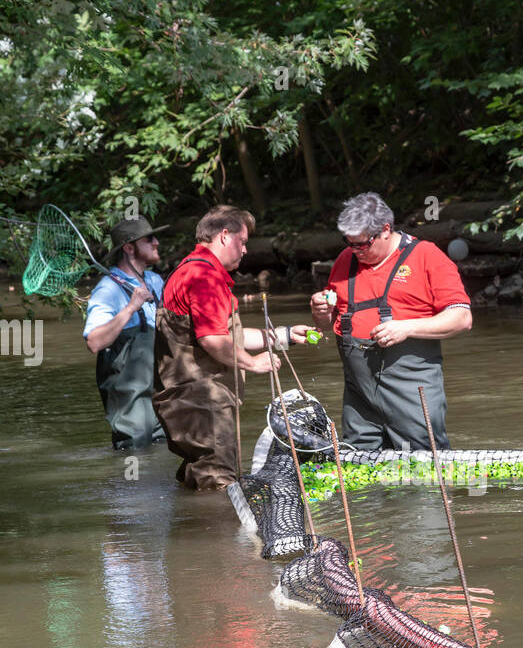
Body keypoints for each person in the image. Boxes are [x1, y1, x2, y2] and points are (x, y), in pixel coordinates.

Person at [152, 205, 311, 491]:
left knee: (198, 482)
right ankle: (219, 536)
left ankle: (190, 531)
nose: (246, 250)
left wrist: (282, 336)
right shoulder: (204, 278)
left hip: (187, 406)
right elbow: (213, 341)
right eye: (243, 241)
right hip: (202, 404)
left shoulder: (190, 269)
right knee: (219, 488)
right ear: (224, 236)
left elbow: (227, 336)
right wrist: (253, 363)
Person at [309, 192, 472, 450]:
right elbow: (329, 323)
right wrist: (320, 312)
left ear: (386, 230)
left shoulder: (426, 256)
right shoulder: (345, 260)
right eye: (349, 243)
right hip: (359, 396)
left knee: (423, 465)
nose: (355, 251)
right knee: (360, 466)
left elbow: (462, 318)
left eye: (363, 244)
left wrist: (407, 327)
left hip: (411, 390)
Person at [83, 216, 166, 450]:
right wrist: (131, 307)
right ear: (129, 248)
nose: (157, 242)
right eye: (149, 239)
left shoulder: (155, 281)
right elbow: (94, 342)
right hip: (131, 415)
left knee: (166, 456)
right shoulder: (108, 289)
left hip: (162, 401)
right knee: (135, 460)